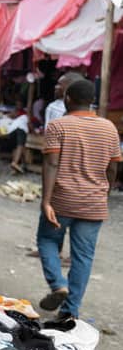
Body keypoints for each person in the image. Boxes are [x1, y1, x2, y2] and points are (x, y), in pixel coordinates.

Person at [36, 79, 122, 328]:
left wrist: (46, 200)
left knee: (48, 240)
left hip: (62, 200)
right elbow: (113, 167)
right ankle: (70, 311)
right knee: (83, 257)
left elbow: (51, 164)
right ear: (91, 100)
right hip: (93, 202)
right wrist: (103, 194)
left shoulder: (58, 126)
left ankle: (58, 285)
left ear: (69, 98)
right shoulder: (109, 128)